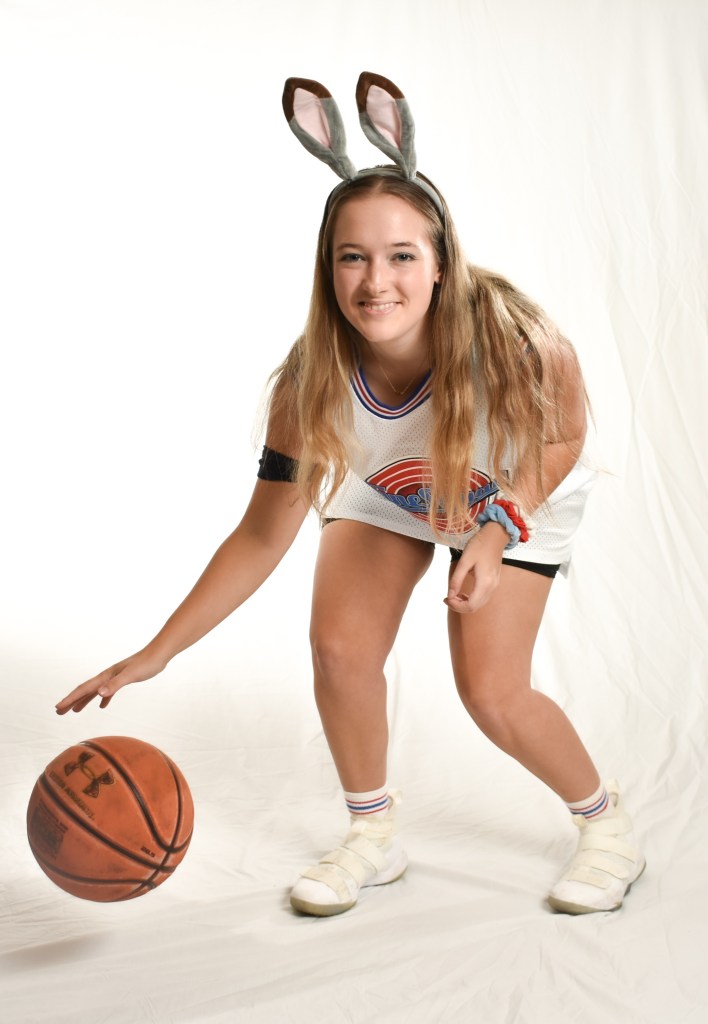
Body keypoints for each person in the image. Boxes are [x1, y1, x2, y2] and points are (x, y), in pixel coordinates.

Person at [56, 72, 645, 918]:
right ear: (327, 267)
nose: (377, 280)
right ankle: (372, 835)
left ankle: (607, 823)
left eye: (402, 254)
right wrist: (161, 650)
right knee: (338, 649)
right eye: (353, 256)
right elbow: (261, 537)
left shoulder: (519, 340)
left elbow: (561, 439)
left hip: (512, 493)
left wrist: (493, 531)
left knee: (490, 691)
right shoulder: (309, 385)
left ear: (441, 262)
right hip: (399, 492)